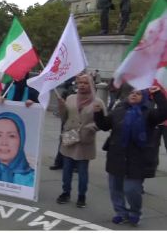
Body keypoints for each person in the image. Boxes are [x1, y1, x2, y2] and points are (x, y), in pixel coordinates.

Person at [95, 85, 167, 226]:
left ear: (144, 98)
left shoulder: (149, 114)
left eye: (138, 94)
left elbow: (164, 112)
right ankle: (121, 213)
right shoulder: (118, 111)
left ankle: (134, 212)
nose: (134, 95)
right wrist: (98, 114)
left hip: (137, 160)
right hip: (116, 157)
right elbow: (104, 125)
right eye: (132, 93)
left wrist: (157, 93)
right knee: (115, 189)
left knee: (131, 189)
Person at [56, 74, 105, 208]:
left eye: (85, 83)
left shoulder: (98, 102)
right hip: (70, 137)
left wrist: (91, 128)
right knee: (67, 169)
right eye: (80, 83)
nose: (82, 85)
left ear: (91, 85)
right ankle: (65, 192)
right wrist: (61, 106)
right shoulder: (71, 98)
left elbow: (103, 122)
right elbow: (64, 117)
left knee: (83, 171)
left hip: (85, 140)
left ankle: (81, 196)